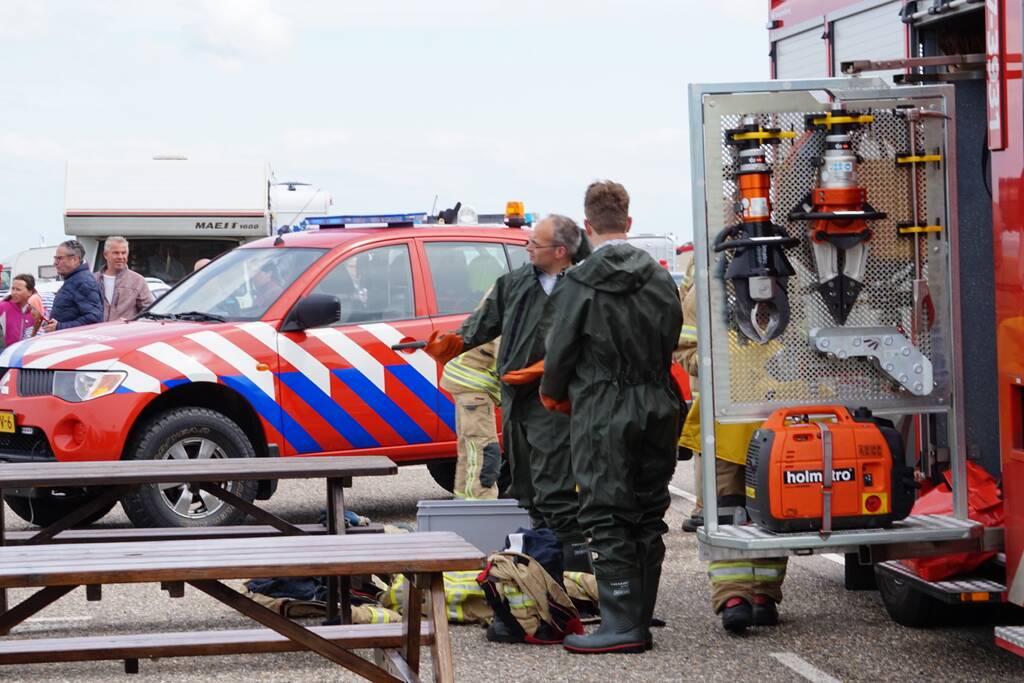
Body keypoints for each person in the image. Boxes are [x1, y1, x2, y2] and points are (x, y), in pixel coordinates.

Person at [424, 215, 594, 639]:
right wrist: (456, 342)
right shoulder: (515, 283)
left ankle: (573, 591)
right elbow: (485, 323)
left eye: (534, 245)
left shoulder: (585, 286)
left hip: (556, 402)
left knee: (557, 494)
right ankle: (536, 584)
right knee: (528, 490)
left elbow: (594, 341)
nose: (527, 250)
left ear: (561, 251)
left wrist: (549, 368)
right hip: (517, 402)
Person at [540, 181, 682, 655]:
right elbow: (672, 332)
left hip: (605, 406)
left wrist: (553, 393)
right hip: (659, 401)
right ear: (629, 222)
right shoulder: (660, 278)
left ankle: (621, 623)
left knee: (606, 510)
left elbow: (560, 351)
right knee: (648, 508)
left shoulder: (579, 284)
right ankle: (638, 615)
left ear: (586, 226)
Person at [677, 267, 788, 634]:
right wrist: (718, 366)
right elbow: (686, 346)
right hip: (730, 424)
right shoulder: (707, 287)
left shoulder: (787, 277)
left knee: (773, 514)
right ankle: (735, 597)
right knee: (728, 511)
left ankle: (762, 595)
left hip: (774, 418)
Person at [439, 339, 503, 500]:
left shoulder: (493, 315)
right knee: (484, 446)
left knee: (469, 447)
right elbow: (508, 359)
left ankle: (463, 499)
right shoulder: (508, 317)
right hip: (474, 389)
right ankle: (482, 500)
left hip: (464, 383)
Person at [44, 240, 103, 332]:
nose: (55, 263)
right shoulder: (74, 279)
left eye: (59, 258)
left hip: (75, 342)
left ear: (75, 259)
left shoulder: (83, 282)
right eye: (55, 258)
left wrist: (60, 327)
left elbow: (94, 318)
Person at [94, 236, 154, 321]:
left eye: (124, 253)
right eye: (116, 253)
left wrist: (132, 322)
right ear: (105, 255)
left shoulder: (138, 281)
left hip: (126, 332)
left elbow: (149, 310)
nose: (120, 257)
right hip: (97, 333)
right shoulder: (93, 280)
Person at [0, 274, 41, 347]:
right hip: (9, 353)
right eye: (13, 288)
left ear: (30, 292)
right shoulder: (3, 306)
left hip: (31, 353)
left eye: (18, 289)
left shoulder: (39, 309)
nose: (14, 292)